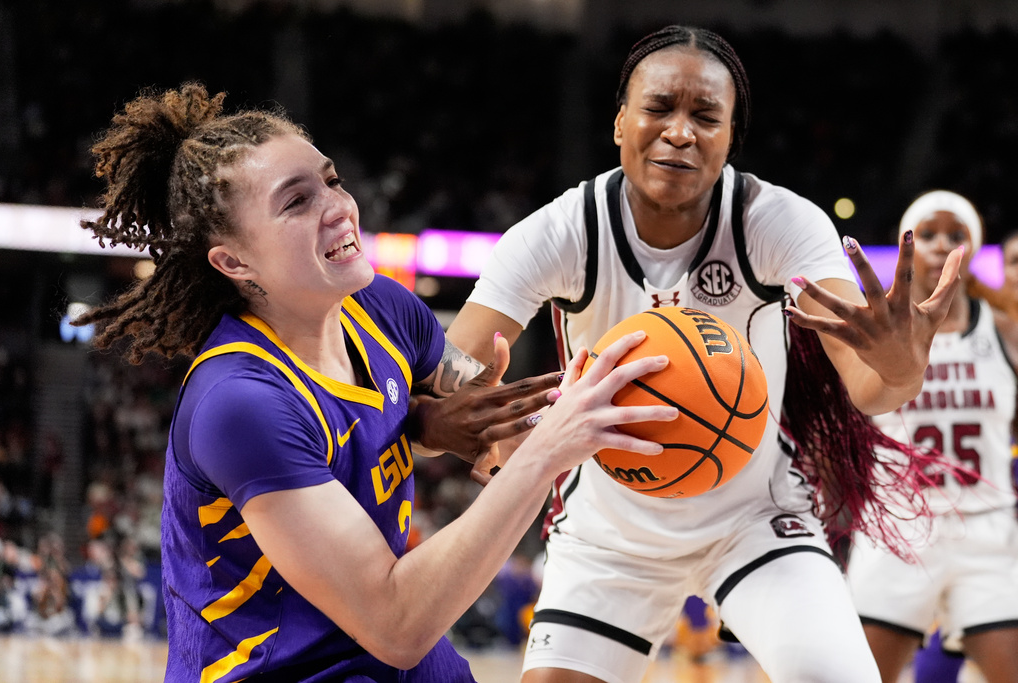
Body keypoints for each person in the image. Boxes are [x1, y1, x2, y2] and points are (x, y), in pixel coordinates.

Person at [73, 83, 680, 682]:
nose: (338, 206)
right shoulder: (240, 403)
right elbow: (397, 624)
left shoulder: (384, 308)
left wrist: (447, 420)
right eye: (296, 201)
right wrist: (547, 452)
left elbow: (468, 405)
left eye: (331, 181)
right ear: (235, 262)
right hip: (285, 667)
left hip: (390, 658)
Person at [445, 25, 963, 683]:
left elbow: (871, 387)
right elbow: (451, 388)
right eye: (660, 108)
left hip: (755, 517)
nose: (681, 131)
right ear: (619, 122)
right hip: (609, 533)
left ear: (729, 139)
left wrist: (900, 364)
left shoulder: (779, 222)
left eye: (705, 117)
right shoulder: (559, 233)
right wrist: (477, 422)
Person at [847, 191, 1018, 683]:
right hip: (900, 528)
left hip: (986, 527)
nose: (942, 245)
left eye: (956, 235)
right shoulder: (879, 334)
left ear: (973, 247)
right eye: (928, 234)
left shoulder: (1005, 331)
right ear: (909, 248)